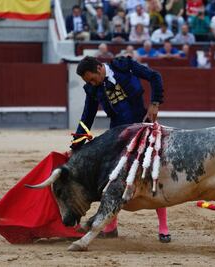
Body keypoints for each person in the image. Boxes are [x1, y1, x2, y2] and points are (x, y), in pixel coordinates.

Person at [73, 56, 171, 243]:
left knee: (152, 173)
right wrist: (76, 145)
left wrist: (155, 103)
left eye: (92, 78)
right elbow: (87, 117)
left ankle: (163, 227)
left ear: (100, 68)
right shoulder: (93, 89)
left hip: (144, 124)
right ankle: (111, 227)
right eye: (88, 82)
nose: (92, 83)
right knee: (113, 177)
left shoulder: (124, 66)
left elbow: (155, 76)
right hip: (118, 134)